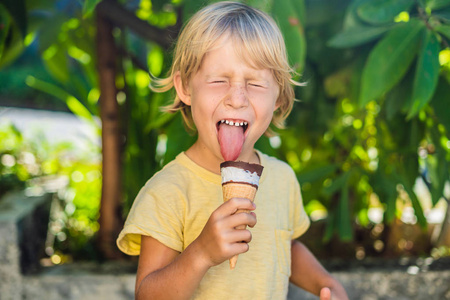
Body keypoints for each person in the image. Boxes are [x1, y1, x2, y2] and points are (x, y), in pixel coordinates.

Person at [116, 1, 349, 299]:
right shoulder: (168, 191)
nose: (237, 99)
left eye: (254, 83)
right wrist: (201, 253)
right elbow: (148, 295)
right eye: (218, 80)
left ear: (278, 97)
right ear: (185, 87)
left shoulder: (281, 178)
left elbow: (285, 246)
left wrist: (325, 284)